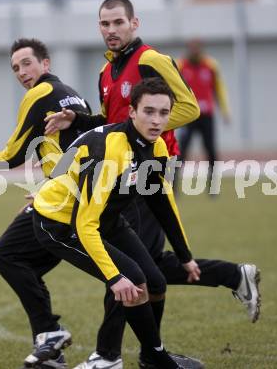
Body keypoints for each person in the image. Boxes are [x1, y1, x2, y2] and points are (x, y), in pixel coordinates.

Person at [44, 0, 261, 369]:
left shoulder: (150, 59)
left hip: (146, 169)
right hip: (121, 166)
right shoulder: (105, 71)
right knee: (144, 264)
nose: (111, 30)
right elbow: (114, 119)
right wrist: (78, 121)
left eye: (118, 23)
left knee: (128, 265)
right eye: (105, 24)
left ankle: (111, 355)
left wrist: (146, 135)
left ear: (134, 23)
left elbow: (189, 107)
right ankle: (228, 278)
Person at [33, 77, 204, 369]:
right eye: (149, 111)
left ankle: (151, 356)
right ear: (132, 112)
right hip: (59, 223)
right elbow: (83, 224)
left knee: (156, 282)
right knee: (134, 281)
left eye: (164, 113)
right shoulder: (109, 151)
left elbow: (162, 202)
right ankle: (145, 358)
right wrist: (114, 278)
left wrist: (185, 256)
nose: (156, 120)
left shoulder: (157, 146)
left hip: (106, 220)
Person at [0, 38, 91, 369]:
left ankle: (51, 334)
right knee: (22, 260)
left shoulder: (39, 94)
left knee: (7, 255)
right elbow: (73, 150)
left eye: (26, 63)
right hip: (80, 193)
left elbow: (13, 154)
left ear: (45, 64)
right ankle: (49, 346)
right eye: (15, 68)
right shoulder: (74, 94)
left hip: (66, 199)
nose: (21, 72)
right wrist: (44, 191)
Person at [177, 38, 231, 191]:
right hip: (188, 116)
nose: (194, 51)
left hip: (207, 115)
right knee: (181, 151)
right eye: (192, 47)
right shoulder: (180, 66)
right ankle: (173, 186)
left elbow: (219, 89)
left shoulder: (211, 65)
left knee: (211, 150)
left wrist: (225, 111)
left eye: (197, 48)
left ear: (201, 49)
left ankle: (213, 187)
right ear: (188, 49)